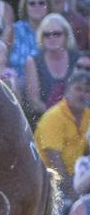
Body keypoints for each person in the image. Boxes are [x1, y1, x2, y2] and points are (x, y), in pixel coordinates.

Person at [35, 69, 90, 198]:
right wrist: (71, 193)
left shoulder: (88, 115)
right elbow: (54, 160)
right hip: (49, 180)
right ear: (66, 92)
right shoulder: (53, 117)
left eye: (87, 91)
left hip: (78, 177)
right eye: (78, 89)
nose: (82, 94)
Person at [25, 14, 80, 119]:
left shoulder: (78, 59)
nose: (51, 38)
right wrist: (57, 118)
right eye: (47, 34)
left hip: (77, 117)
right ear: (42, 37)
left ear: (66, 35)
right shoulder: (33, 61)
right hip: (46, 118)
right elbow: (34, 101)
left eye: (57, 34)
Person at [11, 0, 53, 75]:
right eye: (32, 3)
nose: (37, 6)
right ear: (25, 7)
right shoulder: (14, 29)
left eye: (41, 3)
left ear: (48, 7)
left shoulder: (55, 31)